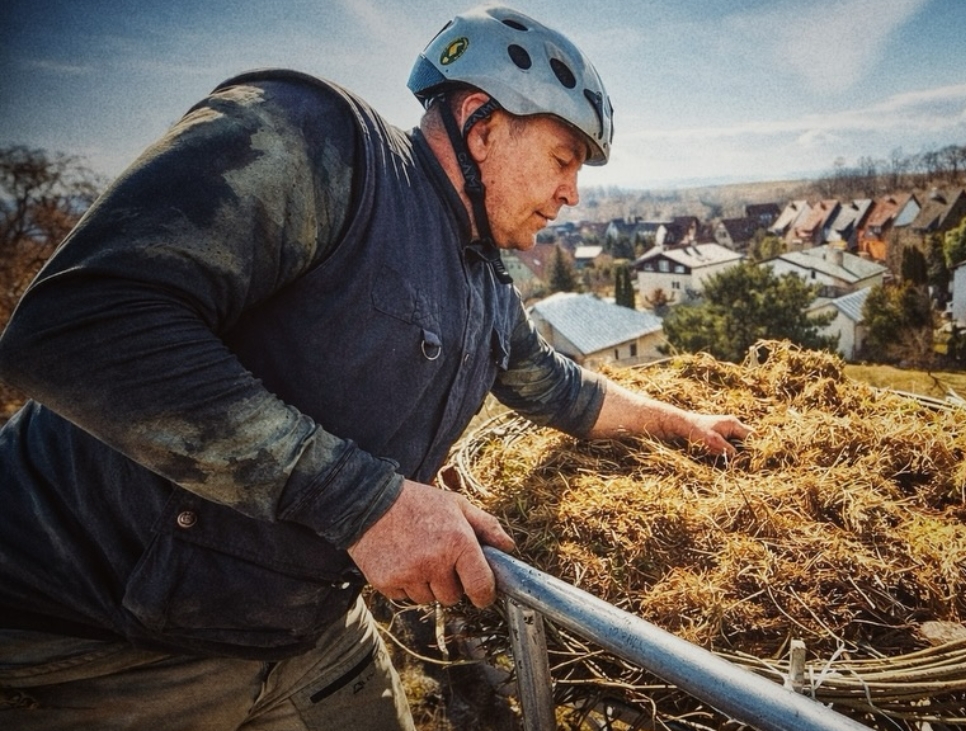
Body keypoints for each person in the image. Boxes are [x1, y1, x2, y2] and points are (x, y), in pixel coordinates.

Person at [0, 6, 750, 730]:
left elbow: (559, 386)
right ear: (482, 126)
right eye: (562, 159)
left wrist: (680, 422)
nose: (571, 194)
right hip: (92, 644)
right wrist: (369, 504)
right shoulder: (316, 142)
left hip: (306, 633)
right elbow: (81, 327)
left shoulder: (486, 284)